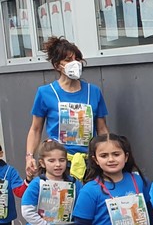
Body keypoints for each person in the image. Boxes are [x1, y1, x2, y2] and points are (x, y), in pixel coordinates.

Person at [25, 36, 109, 181]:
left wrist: (107, 154)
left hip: (89, 163)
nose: (75, 63)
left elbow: (102, 129)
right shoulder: (45, 92)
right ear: (57, 65)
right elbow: (35, 129)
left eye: (77, 59)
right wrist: (29, 156)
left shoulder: (94, 92)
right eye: (68, 60)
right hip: (58, 164)